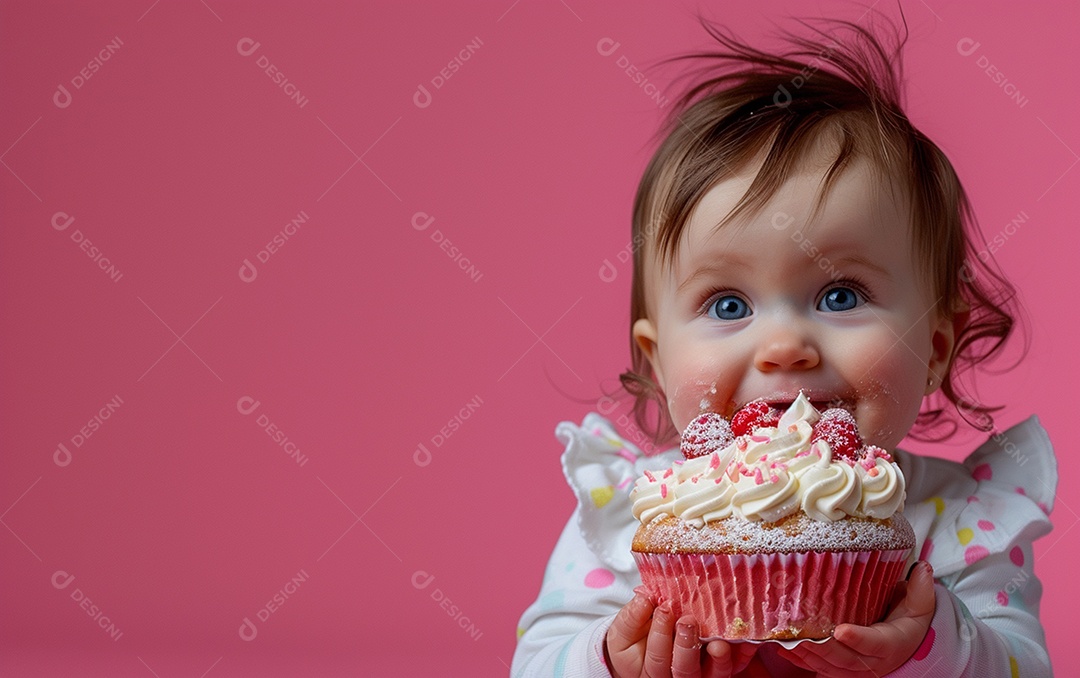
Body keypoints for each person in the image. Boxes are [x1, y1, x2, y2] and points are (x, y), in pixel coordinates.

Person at [511, 9, 1056, 678]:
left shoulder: (961, 522)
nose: (785, 346)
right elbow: (536, 662)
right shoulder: (635, 515)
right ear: (655, 362)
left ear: (936, 346)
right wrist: (609, 662)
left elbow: (1023, 666)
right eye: (729, 305)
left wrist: (934, 644)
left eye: (841, 296)